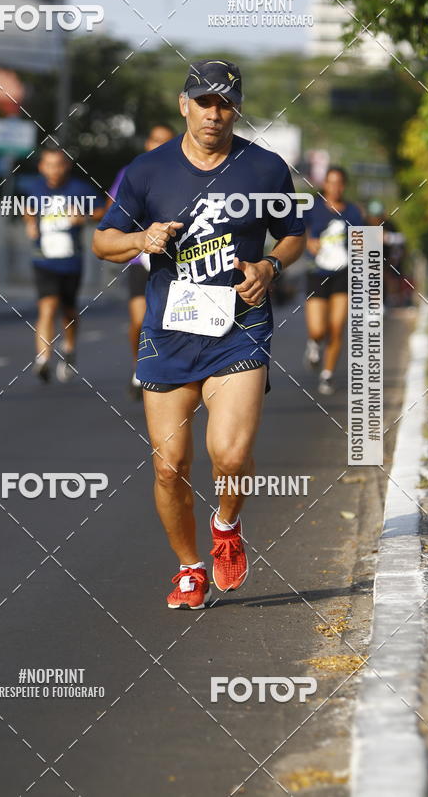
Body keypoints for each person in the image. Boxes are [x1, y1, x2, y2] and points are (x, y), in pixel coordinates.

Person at [93, 59, 306, 609]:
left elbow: (293, 236)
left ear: (237, 110)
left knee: (229, 457)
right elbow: (103, 241)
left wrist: (270, 267)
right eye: (205, 102)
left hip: (239, 326)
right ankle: (189, 568)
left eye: (225, 104)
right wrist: (140, 239)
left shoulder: (264, 169)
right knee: (170, 467)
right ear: (184, 104)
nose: (215, 113)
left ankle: (227, 526)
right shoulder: (147, 171)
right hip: (169, 331)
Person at [110, 124, 176, 399]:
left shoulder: (183, 173)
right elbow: (113, 210)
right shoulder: (132, 172)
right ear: (147, 143)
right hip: (141, 258)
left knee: (169, 320)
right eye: (155, 140)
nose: (160, 146)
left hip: (175, 259)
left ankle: (167, 370)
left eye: (166, 141)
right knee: (138, 319)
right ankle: (139, 367)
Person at [23, 146, 95, 383]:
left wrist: (83, 217)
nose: (54, 170)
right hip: (43, 258)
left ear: (67, 166)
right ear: (42, 167)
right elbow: (28, 208)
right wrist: (30, 222)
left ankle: (70, 349)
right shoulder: (35, 188)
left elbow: (102, 211)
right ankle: (43, 358)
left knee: (68, 311)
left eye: (59, 165)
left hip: (71, 261)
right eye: (49, 165)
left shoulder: (80, 189)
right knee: (47, 306)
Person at [302, 167, 364, 395]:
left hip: (343, 273)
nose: (335, 187)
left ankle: (327, 375)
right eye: (331, 182)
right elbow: (297, 232)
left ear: (344, 186)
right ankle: (314, 344)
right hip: (317, 272)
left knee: (336, 327)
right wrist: (308, 242)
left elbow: (362, 242)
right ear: (325, 185)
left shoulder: (353, 212)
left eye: (339, 183)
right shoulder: (313, 208)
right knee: (318, 329)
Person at [365, 199, 407, 307]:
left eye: (378, 217)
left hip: (386, 261)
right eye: (373, 217)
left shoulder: (389, 225)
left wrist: (387, 238)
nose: (375, 220)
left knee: (387, 277)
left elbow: (402, 239)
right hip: (367, 261)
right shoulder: (363, 224)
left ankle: (385, 302)